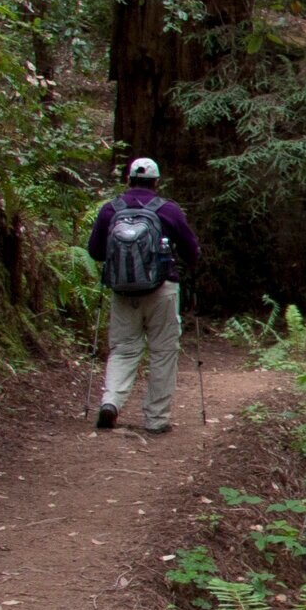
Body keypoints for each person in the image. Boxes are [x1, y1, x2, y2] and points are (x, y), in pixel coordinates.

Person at [85, 157, 201, 432]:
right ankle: (156, 419)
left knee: (123, 350)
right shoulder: (169, 211)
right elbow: (192, 252)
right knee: (163, 352)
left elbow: (95, 252)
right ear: (156, 182)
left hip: (123, 291)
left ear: (128, 180)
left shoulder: (110, 210)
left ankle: (110, 403)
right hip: (162, 290)